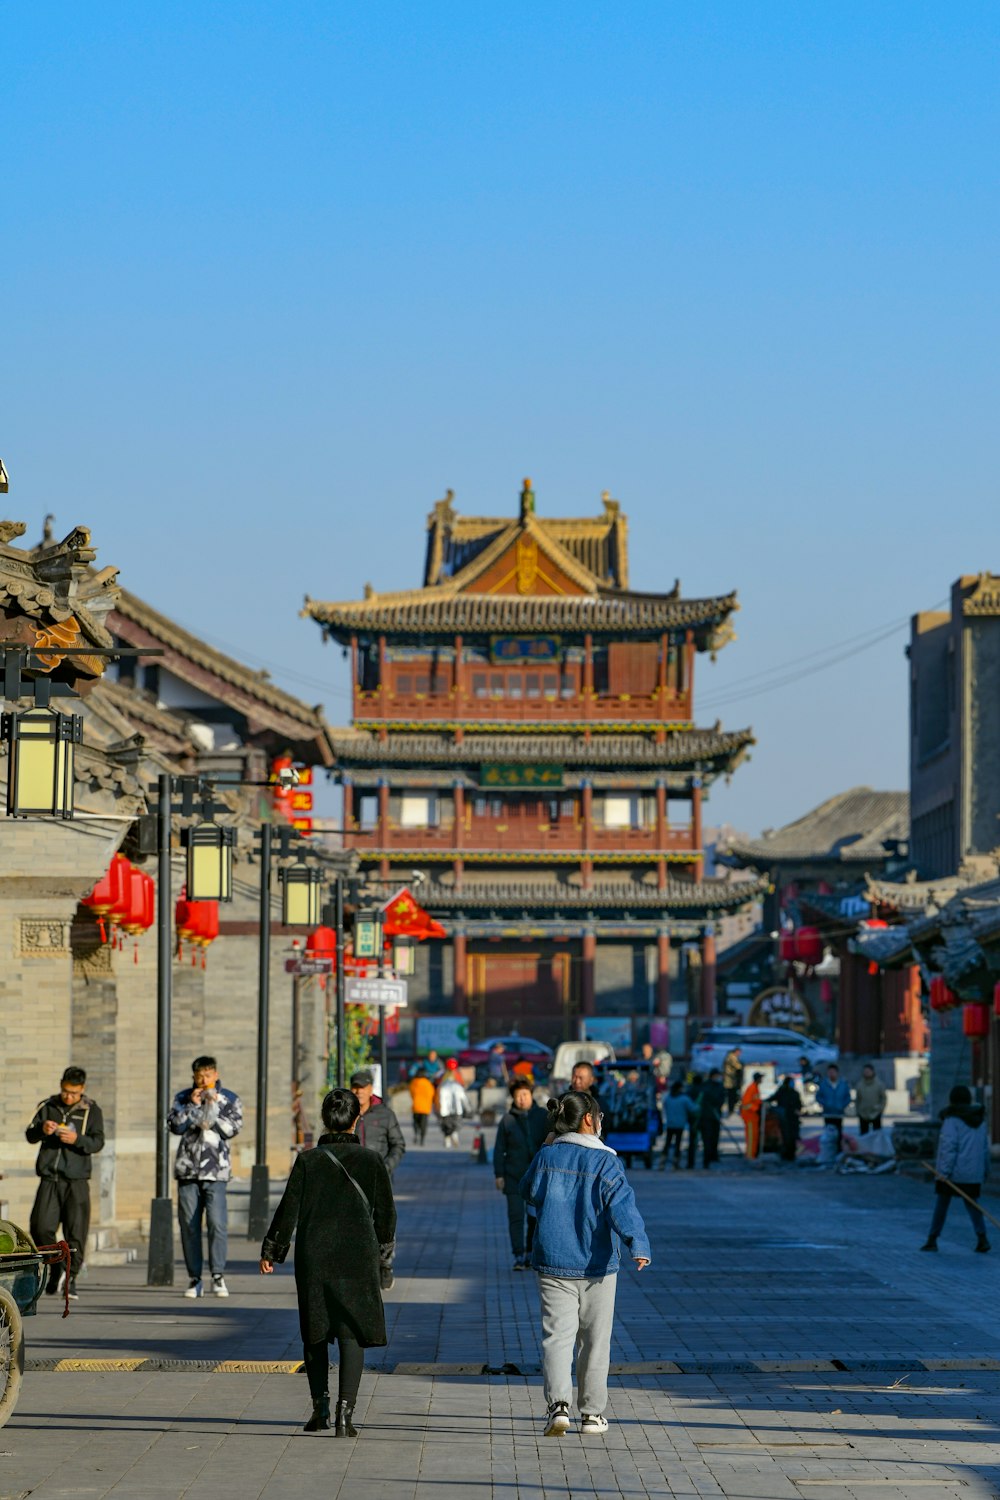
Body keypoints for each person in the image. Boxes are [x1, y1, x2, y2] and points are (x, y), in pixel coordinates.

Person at [261, 1087, 397, 1436]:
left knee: (316, 1331)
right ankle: (346, 1413)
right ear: (356, 1119)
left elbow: (288, 1209)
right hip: (357, 1254)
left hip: (315, 1254)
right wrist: (383, 1249)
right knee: (351, 1330)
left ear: (325, 1119)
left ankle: (319, 1410)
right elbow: (386, 1214)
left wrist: (272, 1251)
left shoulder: (309, 1161)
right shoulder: (371, 1160)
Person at [520, 1090, 651, 1437]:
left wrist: (547, 1147)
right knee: (595, 1340)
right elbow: (622, 1206)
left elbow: (528, 1191)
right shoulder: (606, 1161)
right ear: (588, 1119)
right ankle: (592, 1414)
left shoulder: (548, 1156)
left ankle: (558, 1407)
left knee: (557, 1338)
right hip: (597, 1266)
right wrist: (637, 1242)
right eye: (600, 1116)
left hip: (552, 1260)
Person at [26, 1066, 105, 1300]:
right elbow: (30, 1135)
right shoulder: (48, 1106)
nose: (68, 1096)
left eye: (74, 1092)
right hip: (50, 1177)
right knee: (40, 1227)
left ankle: (71, 1277)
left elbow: (98, 1142)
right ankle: (56, 1265)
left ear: (82, 1089)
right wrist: (43, 1129)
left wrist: (76, 1139)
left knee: (76, 1231)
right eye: (65, 1091)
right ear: (61, 1085)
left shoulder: (91, 1111)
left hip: (77, 1179)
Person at [168, 1055, 243, 1300]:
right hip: (188, 1170)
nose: (204, 1080)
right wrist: (192, 1106)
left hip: (216, 1171)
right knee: (189, 1226)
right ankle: (195, 1278)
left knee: (217, 1223)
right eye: (199, 1076)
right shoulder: (182, 1098)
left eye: (208, 1075)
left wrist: (214, 1107)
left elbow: (232, 1129)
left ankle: (218, 1275)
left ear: (216, 1075)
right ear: (194, 1077)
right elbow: (174, 1126)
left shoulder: (229, 1098)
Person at [920, 1085, 991, 1253]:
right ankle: (982, 1238)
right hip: (973, 1172)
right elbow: (984, 1149)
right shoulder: (980, 1121)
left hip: (952, 1173)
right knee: (973, 1204)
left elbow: (948, 1148)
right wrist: (985, 1170)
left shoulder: (952, 1120)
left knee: (942, 1205)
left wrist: (943, 1172)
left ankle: (932, 1239)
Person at [494, 1079, 549, 1269]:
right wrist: (499, 1174)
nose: (522, 1099)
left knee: (534, 1217)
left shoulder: (542, 1116)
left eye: (525, 1094)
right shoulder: (507, 1120)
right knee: (516, 1216)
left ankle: (530, 1252)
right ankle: (518, 1255)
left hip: (537, 1178)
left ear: (531, 1094)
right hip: (514, 1178)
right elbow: (499, 1149)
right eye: (518, 1095)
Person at [350, 1070, 406, 1176]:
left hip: (379, 1177)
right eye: (355, 1087)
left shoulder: (385, 1114)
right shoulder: (346, 1114)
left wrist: (386, 1167)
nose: (359, 1091)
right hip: (352, 1178)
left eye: (363, 1087)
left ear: (371, 1089)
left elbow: (398, 1145)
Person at [658, 1080, 696, 1169]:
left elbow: (664, 1108)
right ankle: (675, 1163)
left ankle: (662, 1162)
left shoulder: (668, 1098)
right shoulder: (684, 1099)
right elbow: (693, 1109)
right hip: (680, 1125)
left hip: (670, 1124)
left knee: (667, 1143)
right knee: (678, 1144)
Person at [816, 1063, 851, 1153]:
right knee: (828, 1134)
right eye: (829, 1072)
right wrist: (825, 1104)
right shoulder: (823, 1084)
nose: (831, 1074)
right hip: (828, 1113)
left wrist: (843, 1105)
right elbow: (818, 1096)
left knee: (839, 1134)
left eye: (833, 1072)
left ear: (837, 1073)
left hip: (839, 1113)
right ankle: (829, 1152)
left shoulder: (843, 1084)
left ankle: (838, 1152)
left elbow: (848, 1097)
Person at [437, 1059, 472, 1148]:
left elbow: (437, 1088)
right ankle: (454, 1135)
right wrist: (468, 1108)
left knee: (446, 1124)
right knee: (456, 1123)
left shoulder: (442, 1077)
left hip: (444, 1109)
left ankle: (448, 1138)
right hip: (457, 1108)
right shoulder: (457, 1077)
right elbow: (463, 1092)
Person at [699, 1069, 726, 1167]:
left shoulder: (719, 1086)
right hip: (707, 1115)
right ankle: (707, 1157)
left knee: (714, 1136)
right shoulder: (706, 1086)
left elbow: (722, 1098)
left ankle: (713, 1155)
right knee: (707, 1137)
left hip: (715, 1115)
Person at [772, 1075, 802, 1162]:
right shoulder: (782, 1092)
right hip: (785, 1119)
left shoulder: (794, 1093)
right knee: (786, 1138)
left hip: (792, 1119)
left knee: (791, 1137)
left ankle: (791, 1155)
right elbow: (773, 1098)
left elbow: (799, 1105)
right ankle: (786, 1155)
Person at [855, 1063, 887, 1134]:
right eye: (865, 1071)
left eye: (868, 1071)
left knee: (877, 1135)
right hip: (863, 1114)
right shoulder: (859, 1085)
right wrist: (858, 1111)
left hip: (876, 1113)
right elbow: (857, 1099)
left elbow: (883, 1099)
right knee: (864, 1135)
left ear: (873, 1072)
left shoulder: (879, 1084)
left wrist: (880, 1109)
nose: (867, 1073)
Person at [408, 1066, 435, 1145]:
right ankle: (422, 1139)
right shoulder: (427, 1083)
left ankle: (416, 1133)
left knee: (416, 1123)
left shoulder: (414, 1082)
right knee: (423, 1125)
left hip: (416, 1106)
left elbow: (411, 1093)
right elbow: (431, 1093)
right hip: (425, 1108)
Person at [740, 1072, 763, 1159]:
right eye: (761, 1078)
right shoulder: (751, 1088)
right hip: (749, 1116)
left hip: (754, 1117)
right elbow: (746, 1103)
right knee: (751, 1137)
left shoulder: (756, 1088)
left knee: (754, 1136)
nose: (762, 1080)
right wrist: (756, 1109)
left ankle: (752, 1154)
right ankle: (750, 1155)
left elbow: (756, 1101)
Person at [685, 1075, 704, 1169]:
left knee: (692, 1141)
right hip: (702, 1117)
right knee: (706, 1140)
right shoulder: (703, 1090)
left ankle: (690, 1163)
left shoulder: (689, 1091)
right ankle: (706, 1162)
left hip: (692, 1118)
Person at [722, 1046, 743, 1115]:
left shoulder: (730, 1056)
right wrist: (743, 1066)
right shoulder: (732, 1057)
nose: (740, 1054)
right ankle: (731, 1110)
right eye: (739, 1052)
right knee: (731, 1096)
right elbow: (737, 1066)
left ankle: (731, 1109)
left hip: (730, 1079)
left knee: (732, 1095)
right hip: (730, 1080)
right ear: (736, 1051)